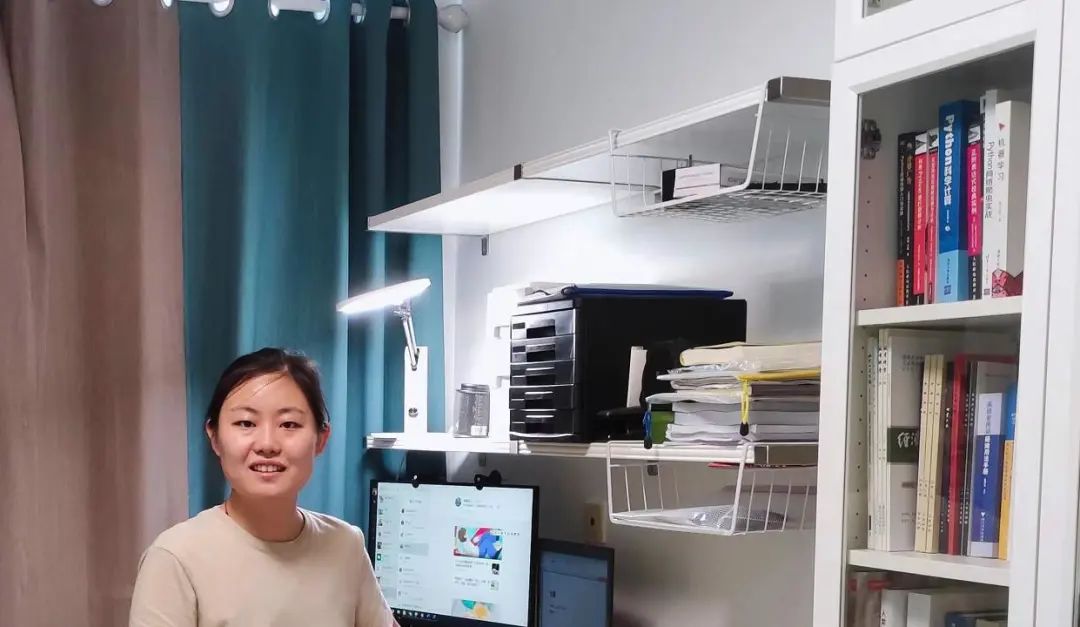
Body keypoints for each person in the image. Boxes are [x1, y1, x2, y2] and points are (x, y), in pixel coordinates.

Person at [129, 348, 397, 626]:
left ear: (321, 439)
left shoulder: (346, 545)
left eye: (289, 424)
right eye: (246, 423)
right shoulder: (174, 559)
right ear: (215, 437)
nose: (267, 444)